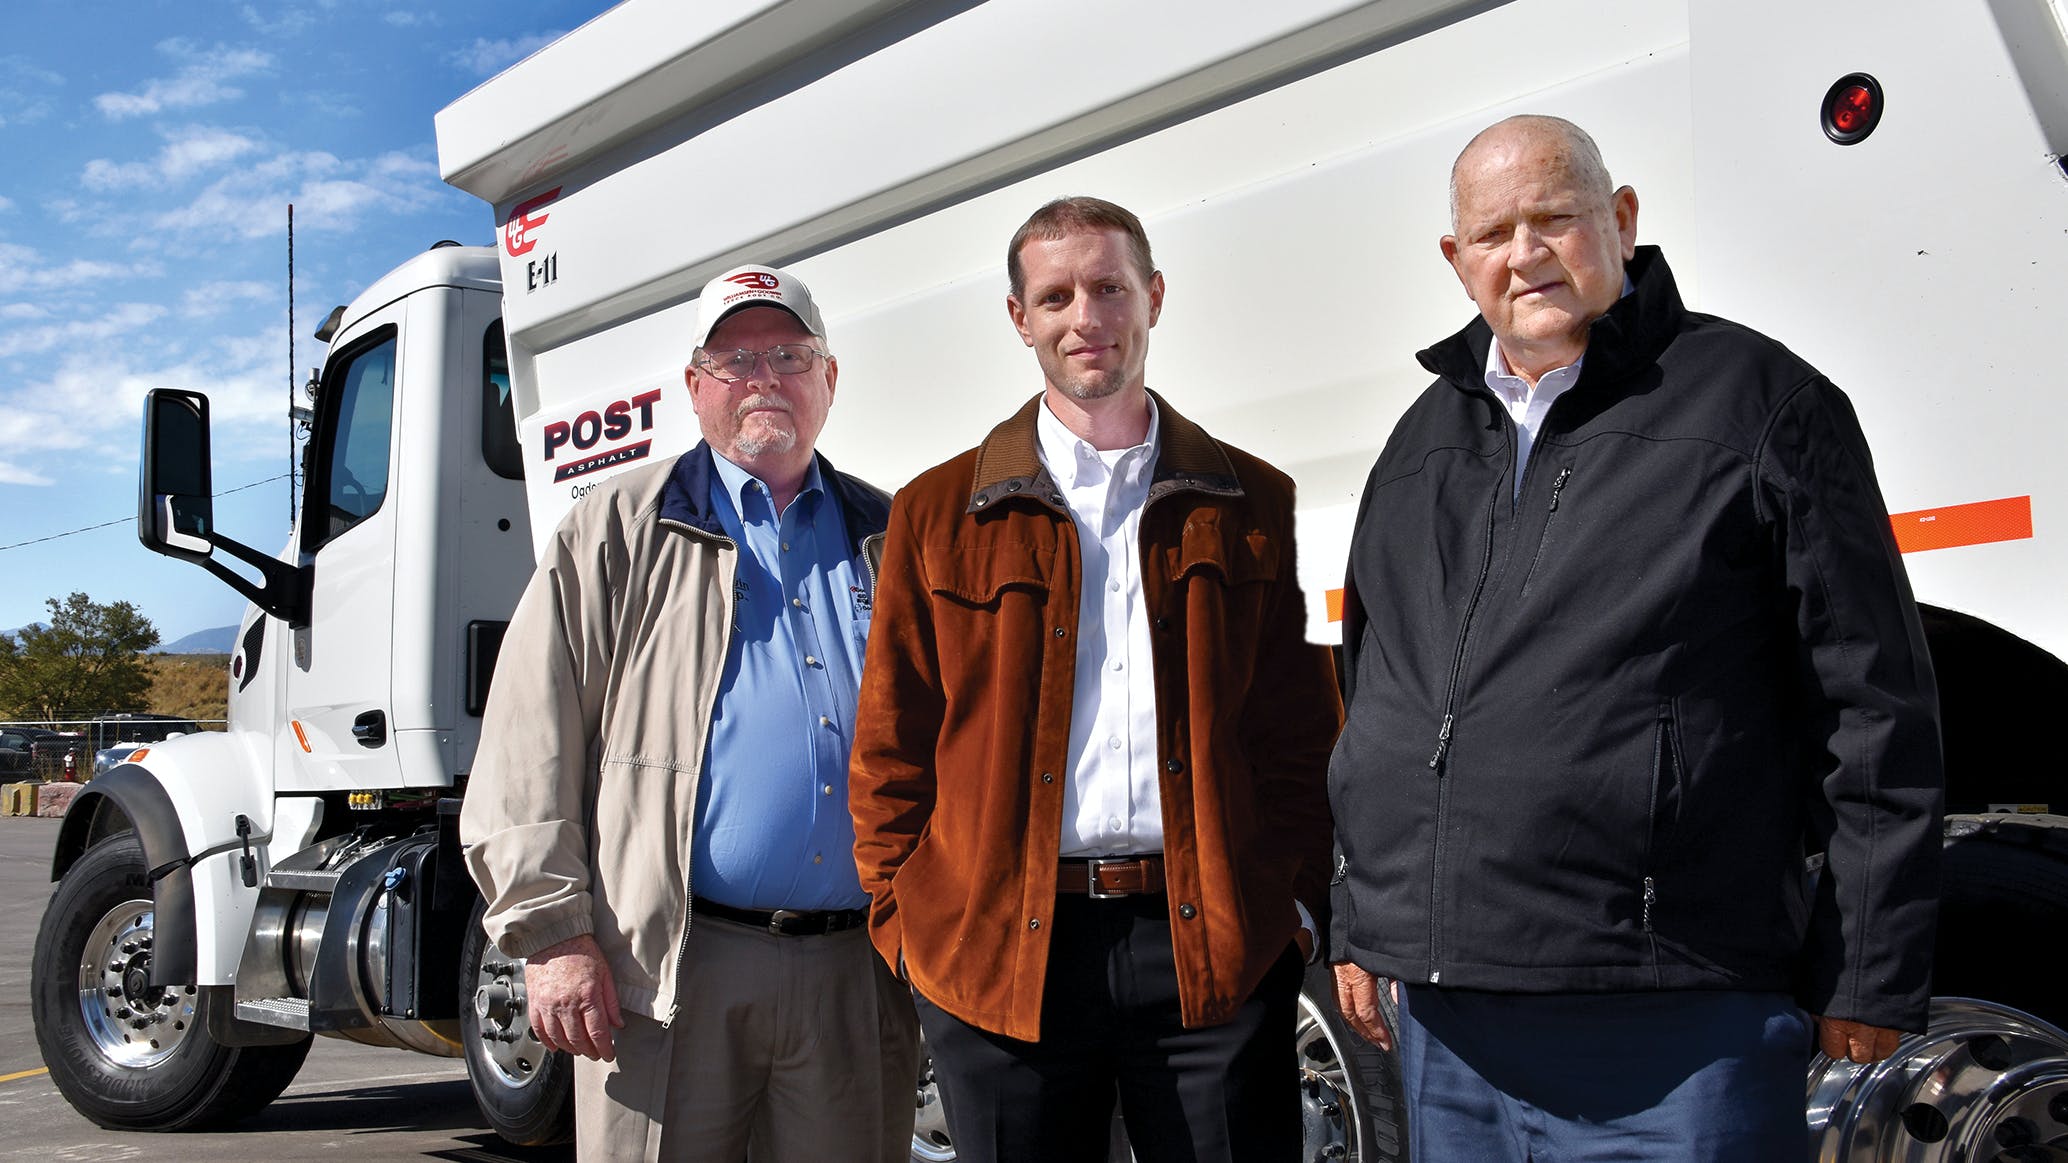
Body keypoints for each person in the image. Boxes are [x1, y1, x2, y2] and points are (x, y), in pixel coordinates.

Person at [1326, 114, 1942, 1161]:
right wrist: (1360, 918)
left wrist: (1868, 969)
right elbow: (1377, 695)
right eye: (1493, 233)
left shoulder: (1760, 403)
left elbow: (1872, 703)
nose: (1525, 252)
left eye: (1554, 217)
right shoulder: (1421, 440)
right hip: (1451, 1030)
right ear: (1457, 259)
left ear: (1620, 219)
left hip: (1674, 1021)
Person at [848, 196, 1342, 1163]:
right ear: (1019, 317)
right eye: (1056, 296)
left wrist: (1291, 910)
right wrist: (907, 925)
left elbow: (1301, 735)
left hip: (1212, 950)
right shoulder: (937, 511)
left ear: (1153, 296)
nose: (1087, 317)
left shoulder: (1253, 500)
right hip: (1001, 955)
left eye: (1110, 288)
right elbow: (890, 742)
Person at [462, 263, 919, 1162]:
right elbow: (527, 742)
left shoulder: (892, 533)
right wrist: (553, 934)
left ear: (829, 379)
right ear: (695, 385)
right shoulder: (616, 529)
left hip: (855, 972)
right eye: (735, 359)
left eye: (789, 355)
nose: (763, 377)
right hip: (670, 970)